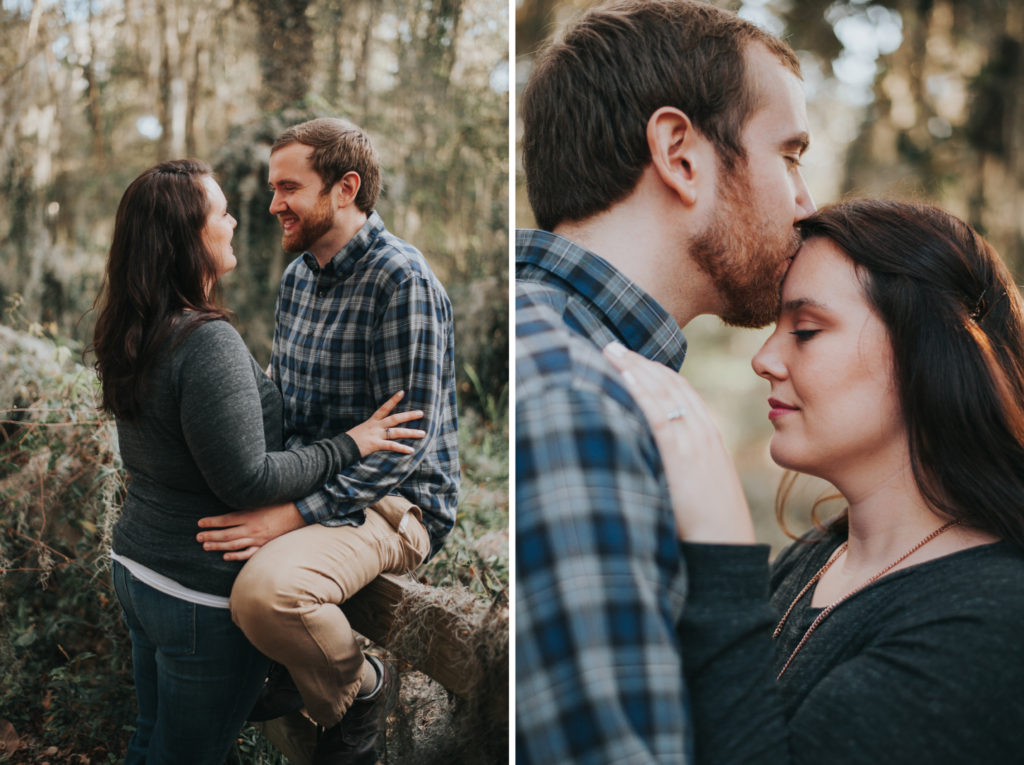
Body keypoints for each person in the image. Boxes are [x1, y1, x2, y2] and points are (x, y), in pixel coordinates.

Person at [605, 198, 1024, 764]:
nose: (765, 358)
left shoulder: (993, 621)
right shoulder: (816, 557)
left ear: (928, 349)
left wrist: (720, 545)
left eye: (805, 329)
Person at [515, 0, 815, 761]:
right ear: (680, 153)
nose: (806, 203)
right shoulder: (577, 401)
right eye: (790, 155)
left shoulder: (559, 351)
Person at [91, 159, 426, 764]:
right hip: (195, 597)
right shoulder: (204, 340)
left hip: (137, 569)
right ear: (187, 235)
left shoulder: (134, 326)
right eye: (221, 212)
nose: (238, 219)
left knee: (148, 740)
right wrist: (353, 442)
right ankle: (363, 689)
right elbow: (248, 480)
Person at [194, 117, 460, 764]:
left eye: (289, 187)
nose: (272, 204)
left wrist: (289, 515)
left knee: (266, 593)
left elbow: (403, 449)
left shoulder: (403, 282)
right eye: (272, 187)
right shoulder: (300, 278)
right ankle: (284, 669)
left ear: (346, 188)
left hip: (397, 505)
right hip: (313, 478)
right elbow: (280, 400)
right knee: (202, 541)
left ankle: (359, 690)